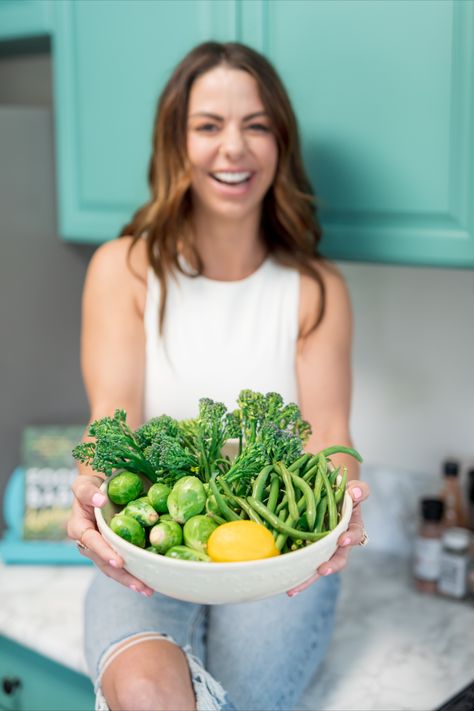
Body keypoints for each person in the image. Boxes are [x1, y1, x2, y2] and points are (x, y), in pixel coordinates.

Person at [68, 41, 370, 711]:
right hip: (149, 532)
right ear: (176, 142)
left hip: (281, 551)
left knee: (248, 700)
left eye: (256, 125)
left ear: (280, 144)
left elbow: (330, 436)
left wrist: (340, 507)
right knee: (143, 690)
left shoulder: (316, 289)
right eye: (208, 125)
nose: (233, 147)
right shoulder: (124, 268)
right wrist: (90, 486)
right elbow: (111, 414)